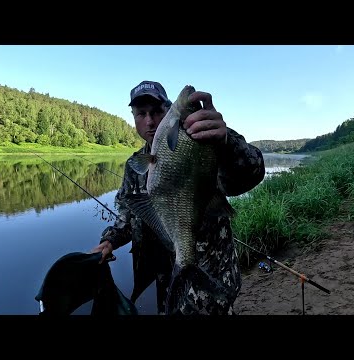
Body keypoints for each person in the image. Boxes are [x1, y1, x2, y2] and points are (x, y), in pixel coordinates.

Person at [91, 80, 265, 315]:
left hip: (209, 282)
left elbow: (252, 172)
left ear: (169, 110)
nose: (150, 121)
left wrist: (226, 143)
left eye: (157, 112)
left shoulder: (204, 139)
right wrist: (110, 240)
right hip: (167, 283)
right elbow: (129, 215)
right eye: (141, 114)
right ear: (133, 118)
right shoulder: (135, 165)